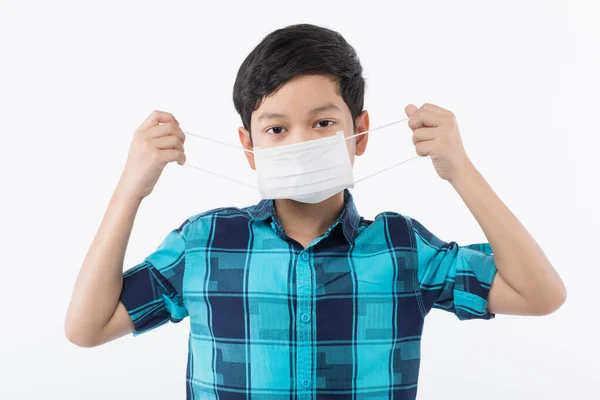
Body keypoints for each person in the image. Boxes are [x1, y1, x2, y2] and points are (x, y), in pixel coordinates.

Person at [65, 23, 566, 399]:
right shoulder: (207, 242)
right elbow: (87, 328)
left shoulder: (402, 249)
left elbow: (540, 293)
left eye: (323, 122)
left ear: (360, 131)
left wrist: (461, 170)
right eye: (276, 129)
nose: (300, 140)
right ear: (248, 144)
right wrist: (131, 187)